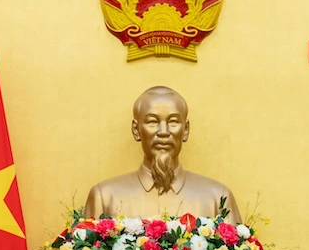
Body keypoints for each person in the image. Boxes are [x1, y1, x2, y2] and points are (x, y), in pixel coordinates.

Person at [84, 86, 243, 222]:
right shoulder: (104, 197)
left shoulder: (217, 198)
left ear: (185, 130)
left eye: (173, 121)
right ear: (136, 130)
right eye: (152, 122)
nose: (164, 132)